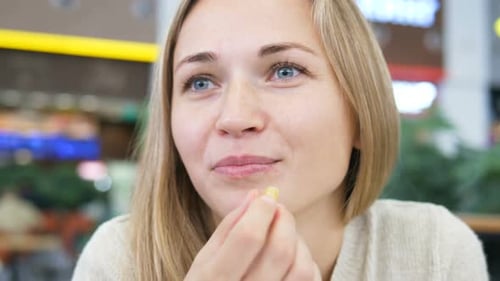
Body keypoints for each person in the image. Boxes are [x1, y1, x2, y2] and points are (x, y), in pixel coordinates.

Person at [72, 0, 489, 280]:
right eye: (200, 81)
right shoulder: (120, 261)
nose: (235, 118)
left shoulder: (434, 254)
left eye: (285, 71)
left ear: (361, 113)